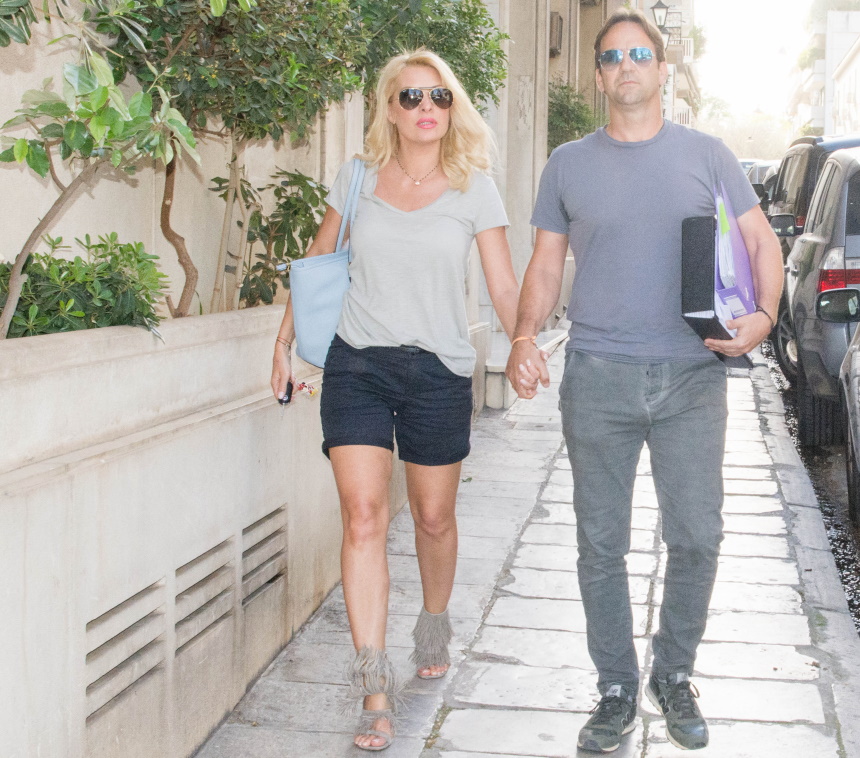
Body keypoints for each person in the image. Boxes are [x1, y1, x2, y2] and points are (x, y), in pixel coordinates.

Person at [505, 9, 783, 754]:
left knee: (697, 534)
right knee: (600, 543)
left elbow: (761, 241)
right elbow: (544, 262)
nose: (625, 65)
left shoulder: (708, 154)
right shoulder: (568, 163)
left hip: (693, 378)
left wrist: (763, 318)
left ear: (662, 70)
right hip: (598, 376)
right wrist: (525, 336)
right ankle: (616, 687)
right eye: (612, 57)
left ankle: (674, 672)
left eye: (638, 54)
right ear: (599, 77)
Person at [270, 50, 519, 751]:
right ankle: (373, 687)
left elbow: (503, 284)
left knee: (434, 519)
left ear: (452, 105)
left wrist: (524, 340)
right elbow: (316, 264)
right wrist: (284, 342)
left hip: (439, 370)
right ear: (389, 108)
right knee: (363, 517)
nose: (425, 107)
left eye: (438, 95)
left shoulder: (474, 188)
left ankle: (433, 622)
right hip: (359, 364)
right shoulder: (357, 178)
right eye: (410, 97)